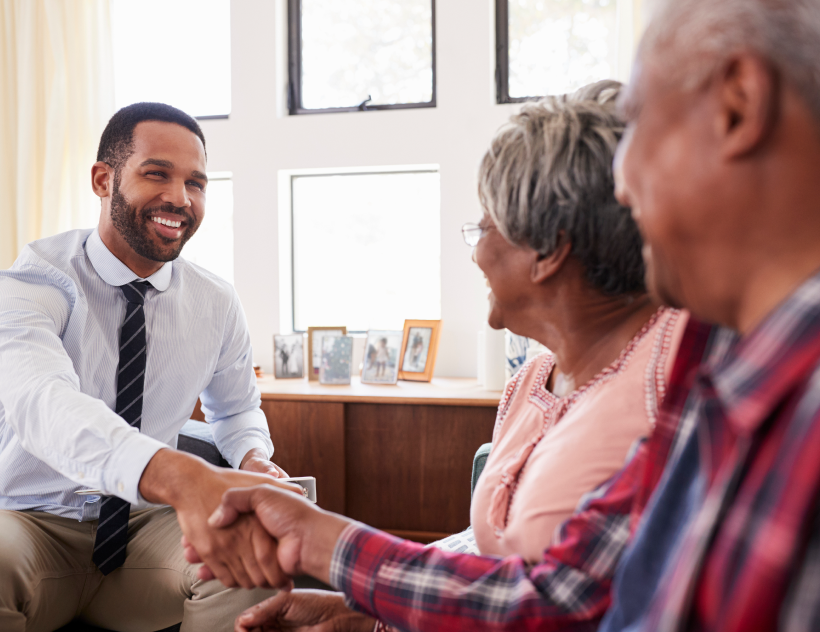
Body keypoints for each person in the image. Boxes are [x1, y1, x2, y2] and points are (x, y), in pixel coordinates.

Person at [192, 0, 820, 630]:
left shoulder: (697, 366)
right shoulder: (717, 371)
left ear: (739, 105)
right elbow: (563, 594)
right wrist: (351, 584)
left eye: (642, 127)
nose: (621, 187)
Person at [188, 82, 698, 632]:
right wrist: (364, 616)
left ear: (549, 250)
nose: (476, 251)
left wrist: (324, 542)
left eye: (484, 225)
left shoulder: (673, 378)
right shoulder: (531, 381)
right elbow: (489, 563)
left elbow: (558, 603)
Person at [0, 102, 296, 632]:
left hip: (144, 527)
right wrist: (179, 475)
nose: (180, 199)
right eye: (157, 173)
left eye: (196, 183)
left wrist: (252, 458)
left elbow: (236, 410)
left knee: (256, 556)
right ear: (103, 179)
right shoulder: (31, 284)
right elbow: (44, 403)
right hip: (29, 524)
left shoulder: (216, 301)